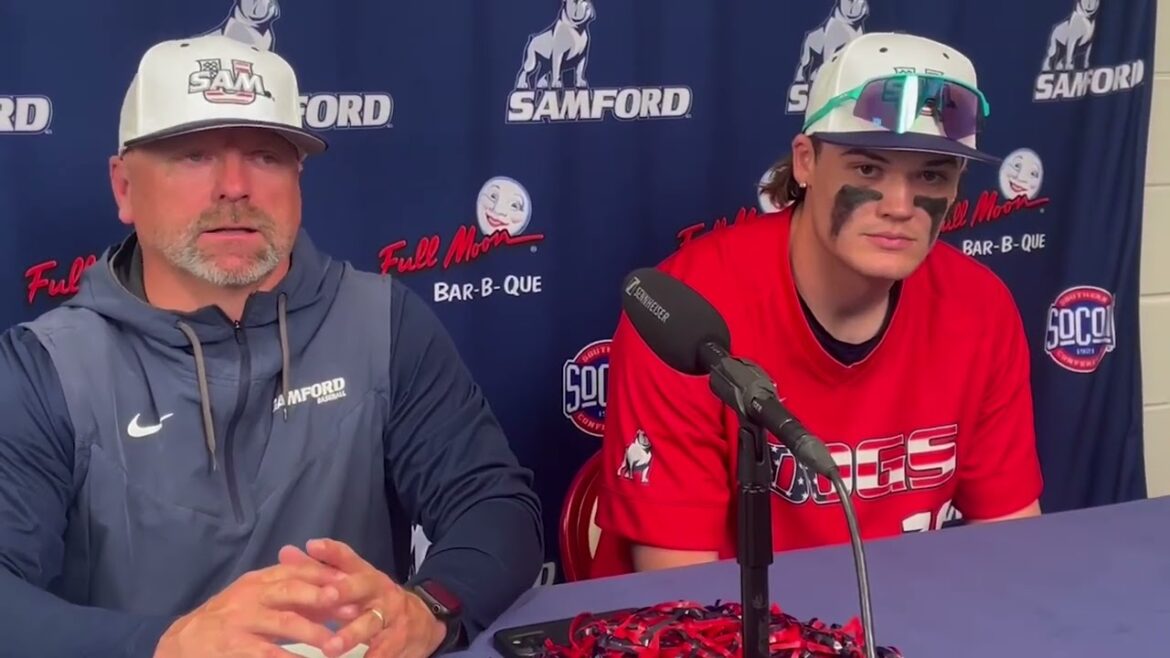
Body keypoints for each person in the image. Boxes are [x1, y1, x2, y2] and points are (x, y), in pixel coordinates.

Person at [0, 34, 544, 657]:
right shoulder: (44, 370)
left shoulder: (382, 321)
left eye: (265, 155)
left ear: (297, 179)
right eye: (194, 155)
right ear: (124, 187)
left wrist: (429, 610)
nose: (235, 186)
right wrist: (167, 646)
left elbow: (495, 505)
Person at [592, 32, 1044, 577]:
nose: (899, 206)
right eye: (868, 169)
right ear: (805, 162)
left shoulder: (980, 306)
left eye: (930, 174)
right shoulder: (690, 310)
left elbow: (1013, 547)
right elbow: (677, 595)